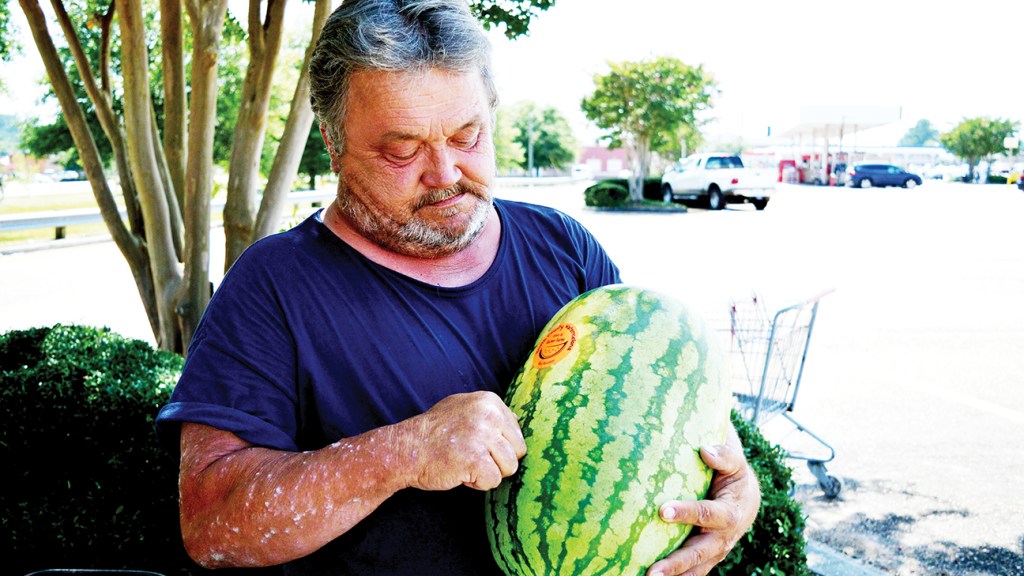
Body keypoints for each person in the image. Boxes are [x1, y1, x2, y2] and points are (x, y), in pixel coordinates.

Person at [156, 1, 760, 574]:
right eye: (402, 150)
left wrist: (736, 490)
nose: (445, 174)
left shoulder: (563, 247)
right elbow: (212, 525)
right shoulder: (273, 286)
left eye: (467, 136)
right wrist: (403, 452)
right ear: (333, 146)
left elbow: (657, 418)